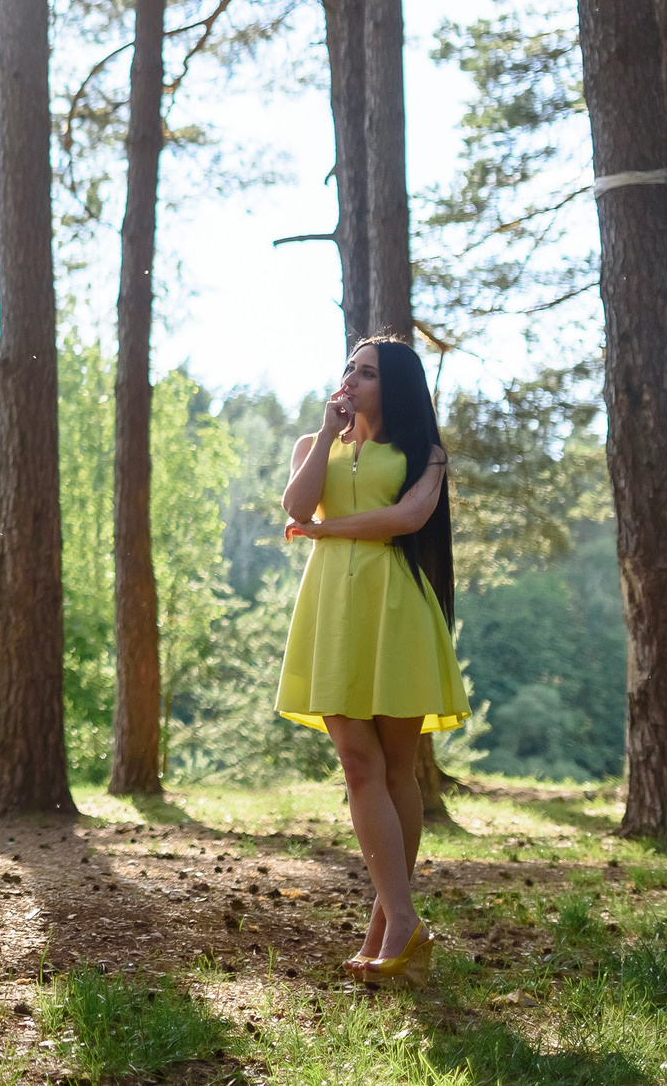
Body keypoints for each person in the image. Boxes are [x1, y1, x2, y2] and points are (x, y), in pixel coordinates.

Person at [275, 335, 469, 985]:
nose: (352, 380)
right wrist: (328, 438)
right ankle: (402, 919)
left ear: (396, 386)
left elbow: (410, 517)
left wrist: (329, 531)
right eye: (349, 369)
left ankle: (390, 924)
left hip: (397, 610)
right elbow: (296, 507)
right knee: (359, 763)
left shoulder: (425, 451)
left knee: (395, 771)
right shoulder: (315, 444)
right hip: (333, 609)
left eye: (368, 372)